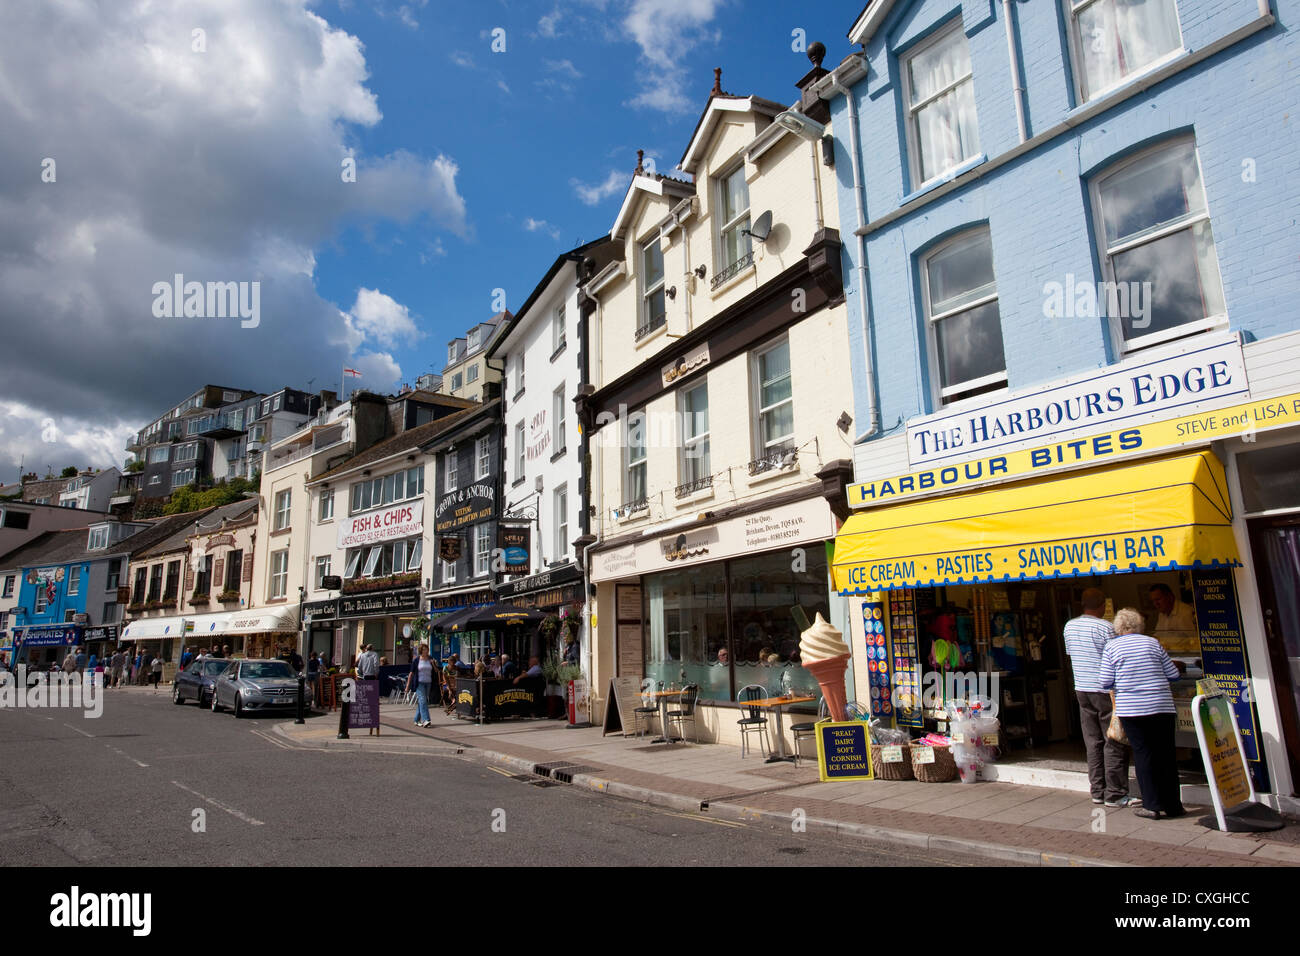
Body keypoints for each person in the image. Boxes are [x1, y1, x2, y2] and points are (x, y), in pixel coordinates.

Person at [1100, 608, 1186, 820]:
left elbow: (1104, 681)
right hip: (1162, 707)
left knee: (1143, 755)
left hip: (1133, 709)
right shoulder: (1153, 643)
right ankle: (1174, 806)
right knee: (1166, 754)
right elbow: (1173, 674)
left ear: (1118, 627)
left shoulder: (1112, 647)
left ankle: (1152, 805)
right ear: (1139, 625)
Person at [1063, 588, 1133, 807]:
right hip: (1105, 690)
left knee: (1092, 741)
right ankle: (1115, 792)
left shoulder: (1069, 626)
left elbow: (1070, 655)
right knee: (1113, 739)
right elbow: (1116, 657)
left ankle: (1097, 790)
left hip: (1082, 689)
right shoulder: (1105, 627)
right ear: (1103, 605)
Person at [1149, 583, 1198, 655]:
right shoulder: (1162, 613)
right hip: (1169, 655)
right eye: (1153, 601)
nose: (1156, 604)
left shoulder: (1185, 613)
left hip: (1186, 656)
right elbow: (1158, 635)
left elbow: (1196, 640)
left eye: (1158, 599)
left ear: (1170, 597)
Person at [407, 644, 435, 727]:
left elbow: (436, 671)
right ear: (420, 651)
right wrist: (408, 685)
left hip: (428, 683)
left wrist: (434, 664)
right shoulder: (416, 660)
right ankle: (426, 720)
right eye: (423, 649)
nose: (425, 651)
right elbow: (411, 673)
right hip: (419, 683)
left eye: (426, 649)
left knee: (422, 701)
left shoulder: (430, 659)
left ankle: (416, 719)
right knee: (423, 700)